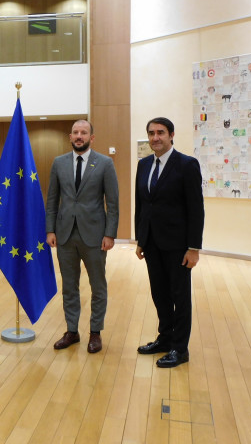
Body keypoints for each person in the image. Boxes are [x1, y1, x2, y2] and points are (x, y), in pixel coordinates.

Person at [135, 117, 205, 368]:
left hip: (178, 246)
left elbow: (196, 209)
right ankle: (164, 339)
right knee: (160, 294)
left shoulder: (187, 165)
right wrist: (140, 239)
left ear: (171, 135)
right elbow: (141, 205)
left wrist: (193, 248)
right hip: (152, 243)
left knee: (180, 297)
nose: (155, 137)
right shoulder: (143, 165)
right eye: (151, 133)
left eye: (161, 133)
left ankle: (180, 348)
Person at [46, 119, 119, 353]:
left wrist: (110, 234)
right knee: (69, 286)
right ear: (70, 137)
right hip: (65, 234)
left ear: (91, 137)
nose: (79, 136)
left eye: (84, 133)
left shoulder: (105, 163)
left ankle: (95, 332)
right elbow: (52, 201)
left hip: (95, 236)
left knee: (98, 286)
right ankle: (72, 331)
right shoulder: (58, 163)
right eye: (76, 132)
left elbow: (113, 204)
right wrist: (50, 230)